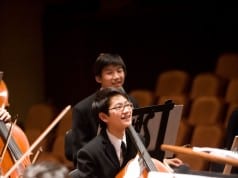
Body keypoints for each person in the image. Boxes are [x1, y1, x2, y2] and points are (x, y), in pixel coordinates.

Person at [70, 53, 138, 165]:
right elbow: (79, 154)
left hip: (129, 166)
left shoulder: (132, 102)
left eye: (119, 71)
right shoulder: (82, 109)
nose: (116, 77)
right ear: (98, 78)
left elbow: (139, 140)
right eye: (109, 73)